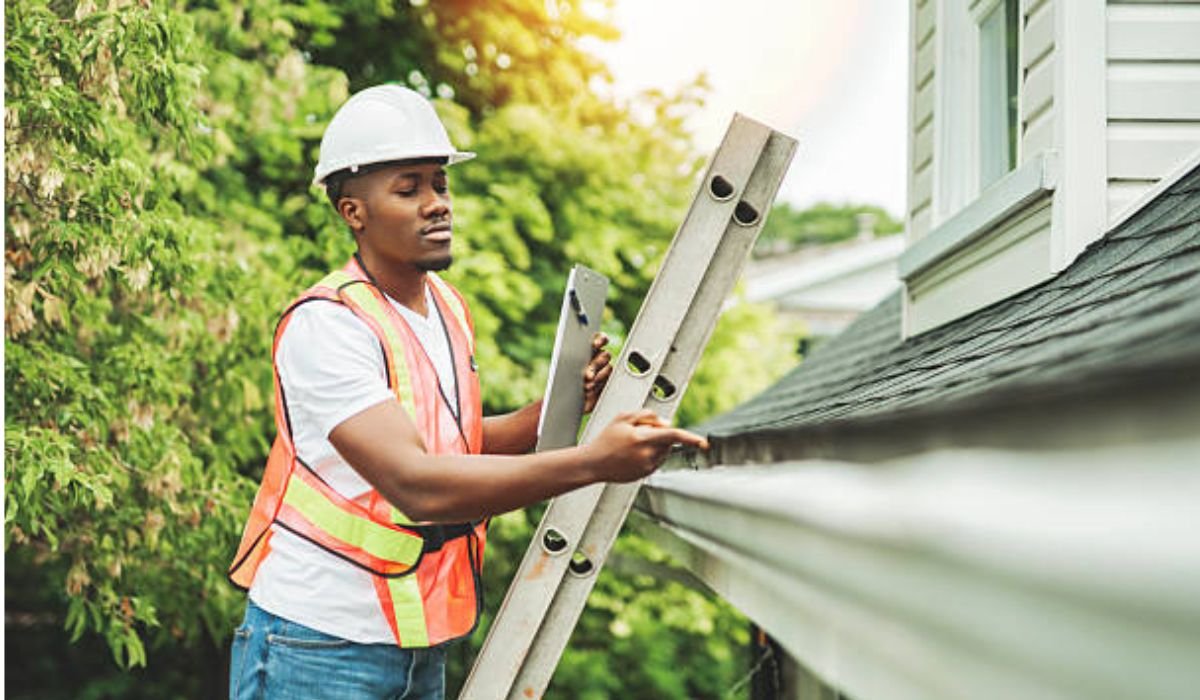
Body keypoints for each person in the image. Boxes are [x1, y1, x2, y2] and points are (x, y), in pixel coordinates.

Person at [226, 84, 706, 700]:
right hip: (319, 645)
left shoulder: (446, 308)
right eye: (410, 188)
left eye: (441, 184)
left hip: (419, 644)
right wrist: (594, 464)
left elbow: (455, 442)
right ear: (353, 212)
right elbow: (419, 484)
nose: (437, 204)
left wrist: (551, 413)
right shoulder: (327, 326)